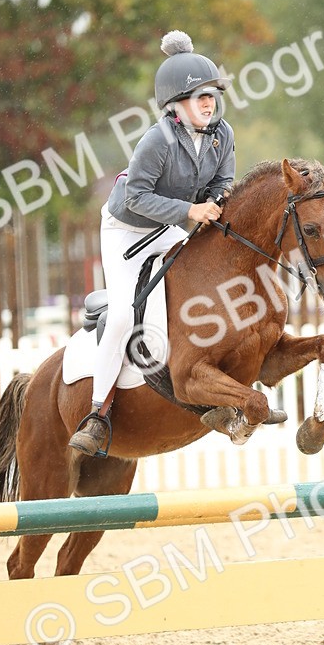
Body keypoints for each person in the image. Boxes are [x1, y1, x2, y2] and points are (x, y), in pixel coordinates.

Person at [69, 31, 235, 457]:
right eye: (199, 96)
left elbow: (223, 183)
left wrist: (213, 205)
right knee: (125, 313)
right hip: (127, 231)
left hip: (171, 228)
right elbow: (136, 197)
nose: (208, 103)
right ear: (175, 105)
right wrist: (190, 213)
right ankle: (97, 411)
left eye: (211, 94)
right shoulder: (157, 140)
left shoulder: (222, 135)